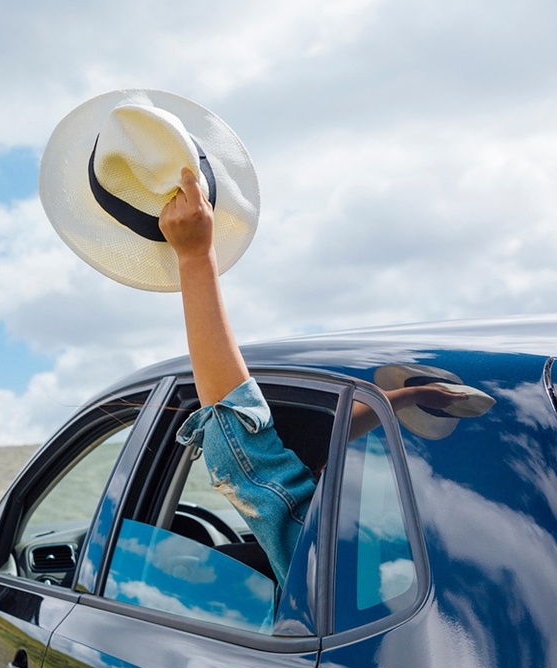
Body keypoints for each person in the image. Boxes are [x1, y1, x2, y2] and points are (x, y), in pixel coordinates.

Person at [158, 167, 463, 585]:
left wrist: (194, 259)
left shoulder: (323, 555)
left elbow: (242, 449)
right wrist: (404, 397)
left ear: (315, 469)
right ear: (323, 461)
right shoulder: (441, 548)